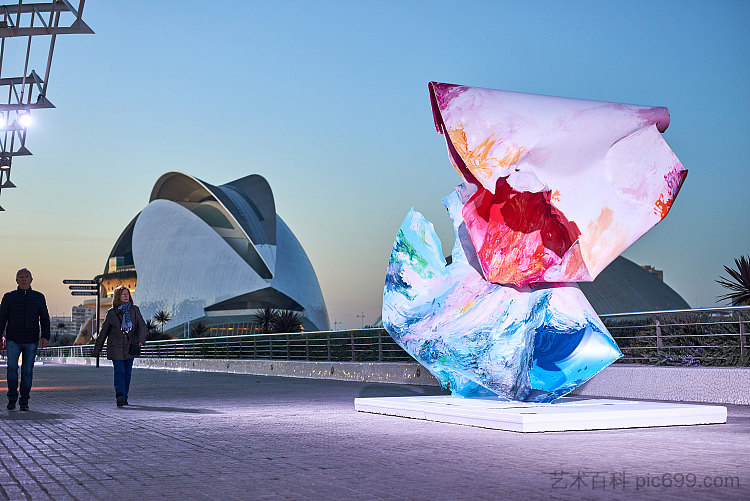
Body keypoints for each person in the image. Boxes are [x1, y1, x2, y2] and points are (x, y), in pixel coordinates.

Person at [0, 268, 50, 411]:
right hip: (13, 339)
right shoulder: (9, 297)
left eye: (26, 277)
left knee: (27, 371)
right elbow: (2, 318)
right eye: (21, 277)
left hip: (31, 339)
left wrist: (45, 336)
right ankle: (12, 398)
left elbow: (45, 318)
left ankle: (24, 401)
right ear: (16, 280)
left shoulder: (38, 297)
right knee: (11, 369)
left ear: (31, 279)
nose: (23, 279)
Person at [93, 285, 146, 407]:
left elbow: (142, 325)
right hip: (116, 348)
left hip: (130, 347)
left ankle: (125, 396)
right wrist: (97, 349)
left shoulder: (134, 310)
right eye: (123, 294)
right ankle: (120, 395)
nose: (126, 296)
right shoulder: (112, 313)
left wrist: (140, 340)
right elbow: (103, 332)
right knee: (120, 372)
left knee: (127, 373)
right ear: (118, 296)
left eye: (127, 294)